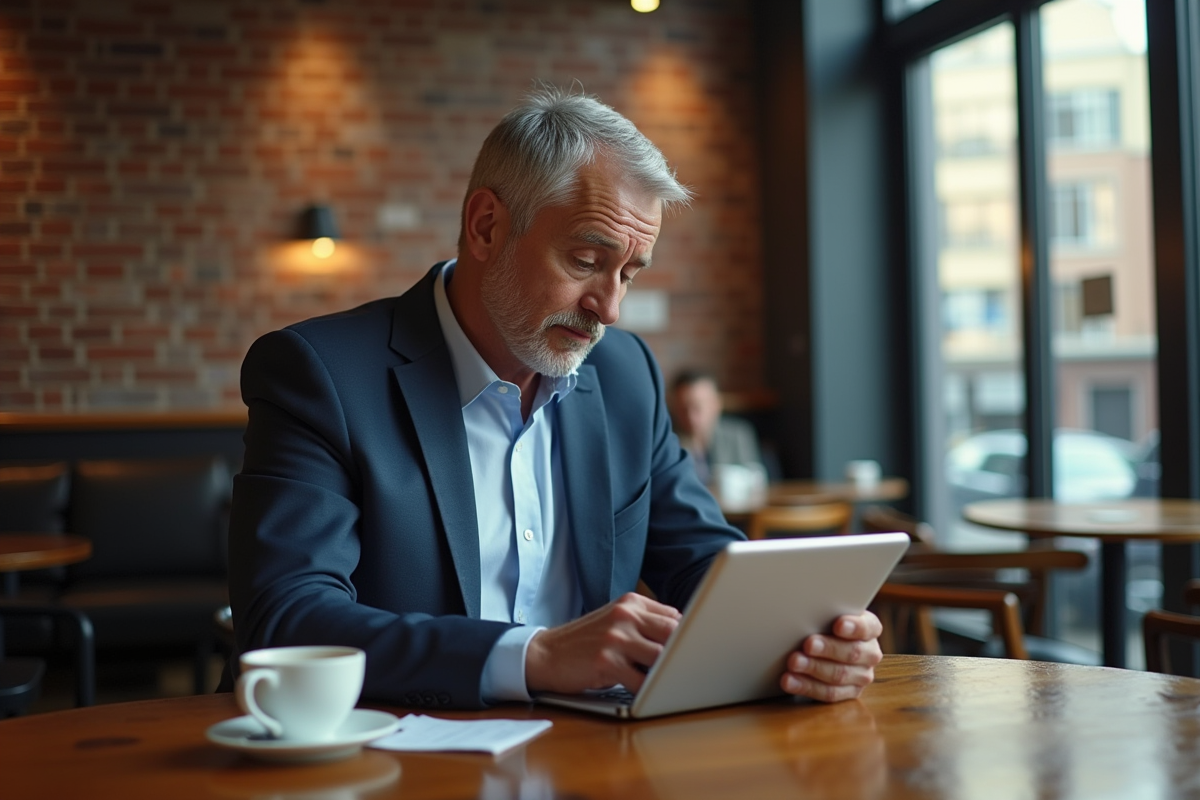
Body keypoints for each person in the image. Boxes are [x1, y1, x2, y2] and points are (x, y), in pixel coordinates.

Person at [227, 87, 882, 710]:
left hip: (599, 758)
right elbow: (286, 618)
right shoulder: (321, 374)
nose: (610, 309)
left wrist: (810, 640)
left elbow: (704, 561)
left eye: (628, 272)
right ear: (486, 227)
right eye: (586, 260)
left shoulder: (627, 373)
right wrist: (532, 656)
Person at [669, 369, 765, 486]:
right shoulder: (669, 441)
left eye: (697, 407)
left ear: (716, 404)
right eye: (683, 409)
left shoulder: (738, 434)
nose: (691, 417)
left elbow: (756, 480)